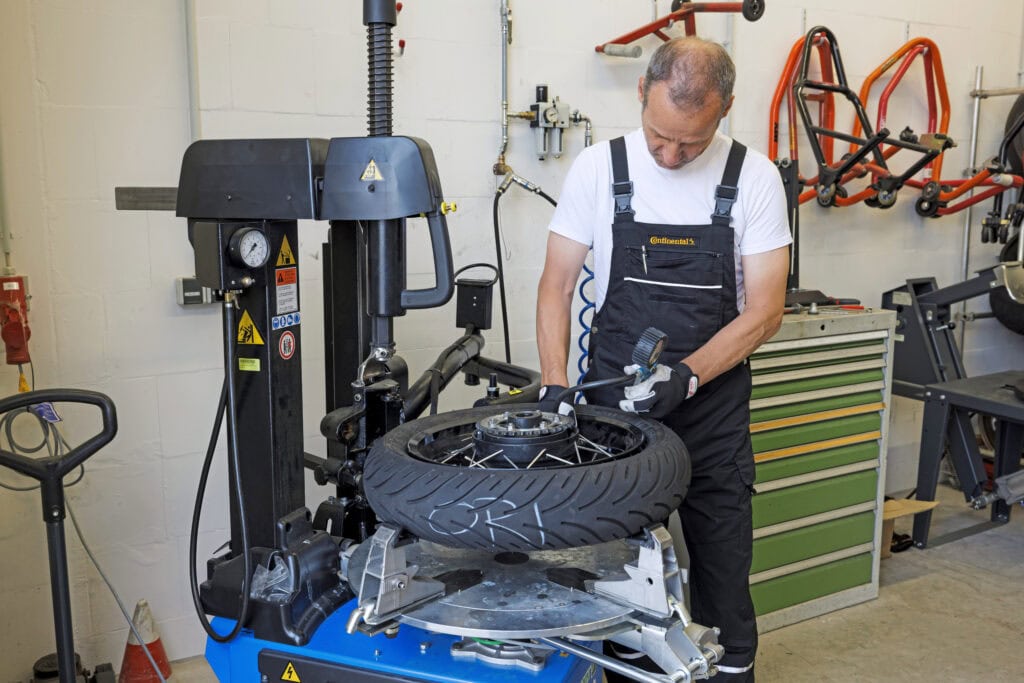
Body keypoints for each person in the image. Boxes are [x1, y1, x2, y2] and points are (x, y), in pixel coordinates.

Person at [535, 37, 791, 681]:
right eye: (659, 137)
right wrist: (555, 383)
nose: (671, 156)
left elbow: (766, 310)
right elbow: (556, 285)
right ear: (641, 94)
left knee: (723, 591)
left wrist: (690, 374)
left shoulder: (754, 179)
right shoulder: (599, 169)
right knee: (619, 590)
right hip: (614, 418)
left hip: (713, 417)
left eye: (691, 144)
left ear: (725, 109)